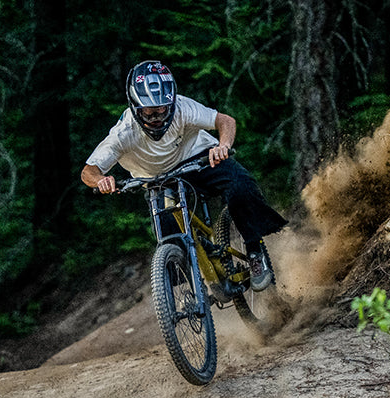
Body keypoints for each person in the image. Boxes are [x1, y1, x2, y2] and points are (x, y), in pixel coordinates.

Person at [81, 60, 287, 291]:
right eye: (149, 113)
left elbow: (224, 121)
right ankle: (189, 292)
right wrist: (101, 180)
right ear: (135, 108)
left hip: (197, 159)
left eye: (162, 110)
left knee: (240, 186)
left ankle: (255, 250)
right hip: (156, 179)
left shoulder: (182, 107)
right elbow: (89, 171)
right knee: (170, 240)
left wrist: (223, 146)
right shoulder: (123, 133)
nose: (157, 118)